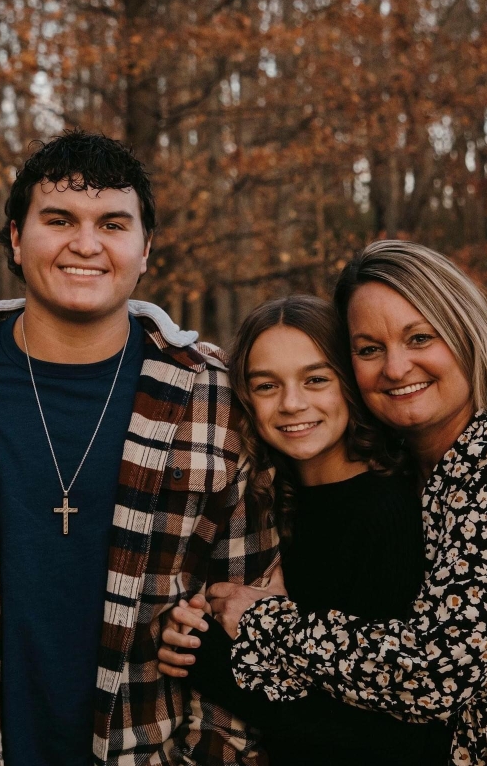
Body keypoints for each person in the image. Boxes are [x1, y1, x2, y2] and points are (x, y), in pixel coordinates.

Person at [0, 129, 280, 766]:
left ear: (145, 247)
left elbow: (245, 606)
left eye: (112, 223)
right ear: (17, 240)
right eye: (59, 219)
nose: (86, 243)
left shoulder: (211, 397)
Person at [170, 240, 487, 766]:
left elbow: (432, 675)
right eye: (369, 349)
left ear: (465, 332)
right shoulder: (417, 462)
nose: (395, 367)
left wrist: (259, 625)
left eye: (419, 338)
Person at [157, 295, 451, 764]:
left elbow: (392, 733)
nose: (292, 404)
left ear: (349, 384)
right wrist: (192, 624)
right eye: (267, 385)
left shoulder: (382, 513)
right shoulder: (273, 496)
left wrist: (207, 659)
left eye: (316, 379)